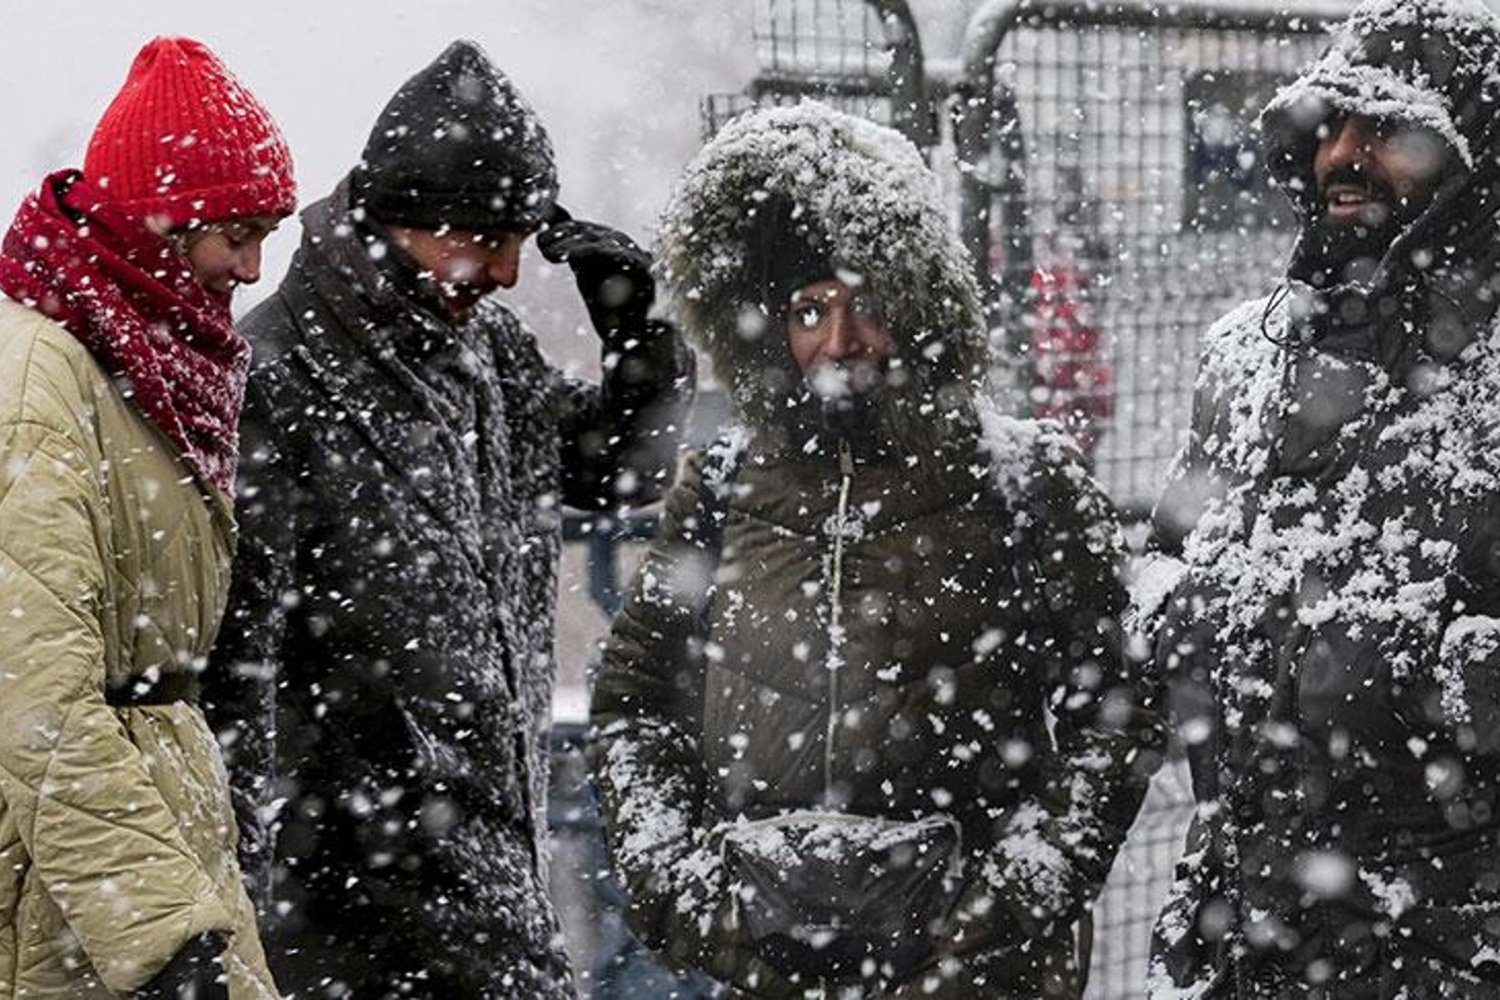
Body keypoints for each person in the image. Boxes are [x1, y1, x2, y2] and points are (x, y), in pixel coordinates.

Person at [590, 102, 1164, 999]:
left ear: (917, 302)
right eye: (810, 309)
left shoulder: (1024, 479)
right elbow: (635, 703)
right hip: (770, 972)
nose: (840, 341)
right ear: (768, 324)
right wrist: (681, 893)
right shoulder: (722, 483)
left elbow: (1118, 714)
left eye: (867, 304)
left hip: (976, 980)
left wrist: (1004, 904)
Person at [202, 39, 694, 997]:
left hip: (483, 878)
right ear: (402, 221)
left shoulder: (488, 359)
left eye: (521, 239)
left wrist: (643, 342)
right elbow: (237, 683)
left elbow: (623, 478)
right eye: (486, 240)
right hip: (345, 908)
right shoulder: (278, 377)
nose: (510, 273)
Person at [1140, 0, 1500, 992]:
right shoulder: (1239, 362)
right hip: (1243, 940)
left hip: (1439, 957)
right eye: (1331, 127)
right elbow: (1161, 589)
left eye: (1386, 129)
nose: (1345, 154)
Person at [0, 36, 294, 998]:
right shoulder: (45, 377)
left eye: (266, 232)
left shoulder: (139, 362)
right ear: (159, 223)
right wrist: (165, 938)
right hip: (82, 884)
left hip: (147, 839)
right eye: (235, 232)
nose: (252, 268)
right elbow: (34, 690)